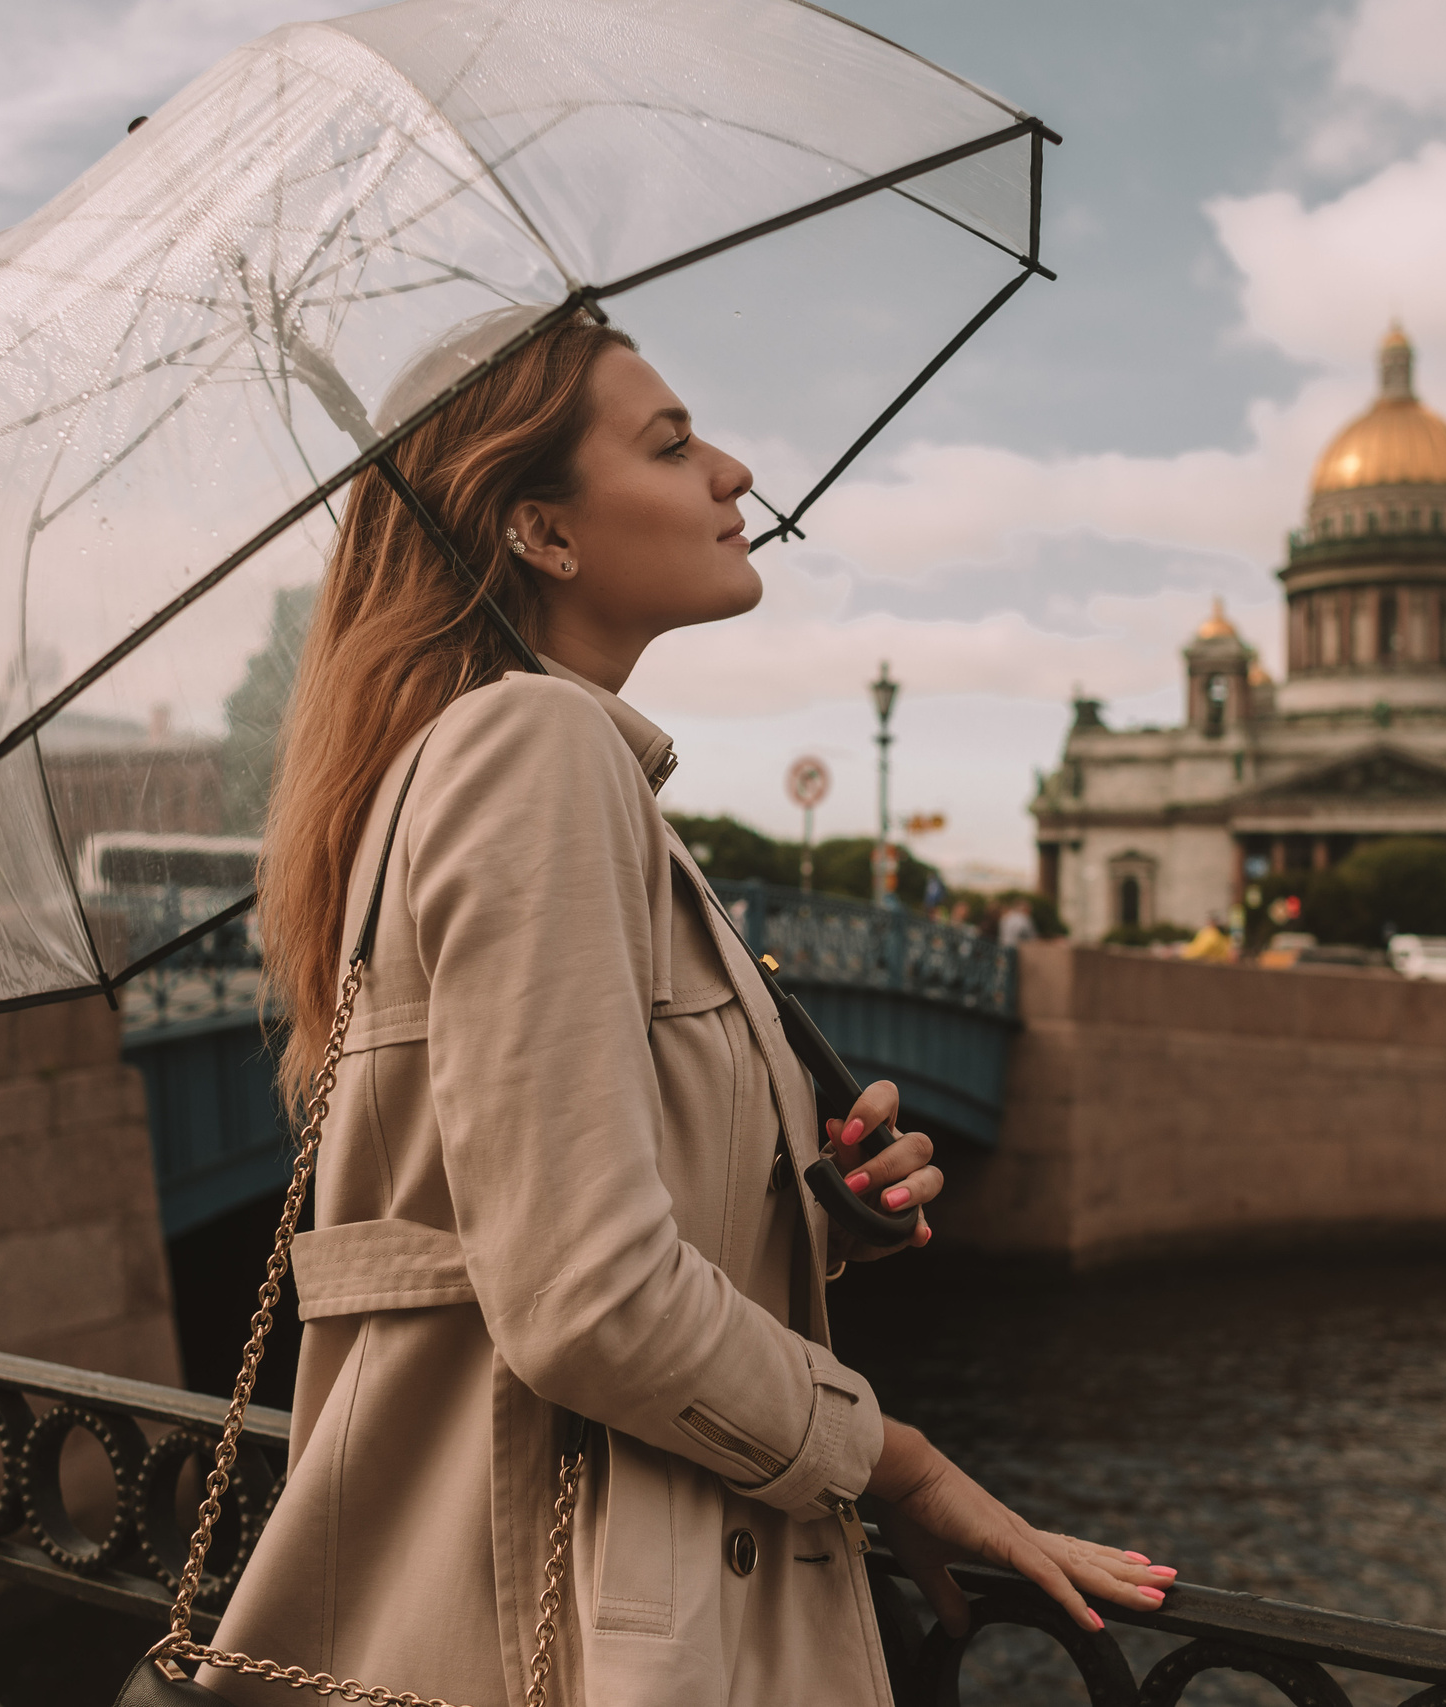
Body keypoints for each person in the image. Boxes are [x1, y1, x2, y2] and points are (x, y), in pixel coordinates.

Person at [213, 311, 1171, 1707]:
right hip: (594, 1634)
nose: (732, 472)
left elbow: (531, 1225)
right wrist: (895, 1460)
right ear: (542, 532)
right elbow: (586, 1300)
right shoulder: (535, 749)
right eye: (670, 444)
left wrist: (805, 1203)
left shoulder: (498, 757)